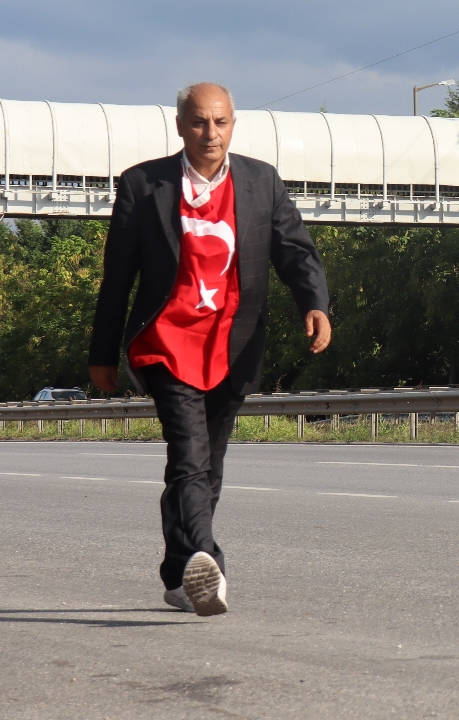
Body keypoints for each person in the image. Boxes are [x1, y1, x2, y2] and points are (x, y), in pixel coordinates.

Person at [88, 82, 330, 617]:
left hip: (233, 344)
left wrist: (314, 303)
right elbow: (117, 278)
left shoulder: (261, 181)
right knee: (190, 456)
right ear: (180, 126)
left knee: (206, 466)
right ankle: (208, 561)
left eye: (220, 122)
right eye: (199, 122)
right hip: (167, 342)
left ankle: (179, 576)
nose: (210, 133)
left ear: (233, 125)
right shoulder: (143, 185)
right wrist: (102, 354)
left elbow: (295, 250)